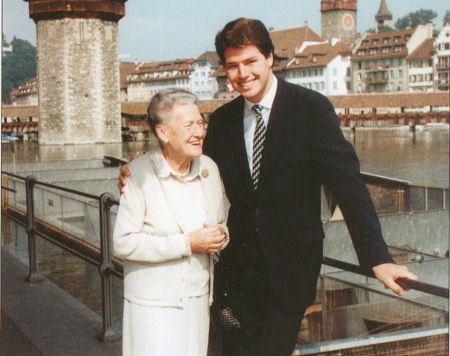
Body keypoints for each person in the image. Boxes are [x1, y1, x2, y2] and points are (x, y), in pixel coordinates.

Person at [119, 18, 417, 356]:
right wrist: (140, 168)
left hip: (289, 273)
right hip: (237, 277)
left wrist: (377, 259)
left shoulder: (311, 110)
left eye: (250, 62)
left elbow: (347, 185)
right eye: (232, 66)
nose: (242, 73)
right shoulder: (224, 121)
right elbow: (189, 164)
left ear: (270, 58)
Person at [113, 88, 229, 356]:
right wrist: (187, 243)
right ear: (163, 132)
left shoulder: (209, 168)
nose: (199, 132)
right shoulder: (140, 173)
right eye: (189, 125)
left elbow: (222, 222)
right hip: (153, 306)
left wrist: (220, 236)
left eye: (201, 123)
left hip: (198, 300)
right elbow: (123, 242)